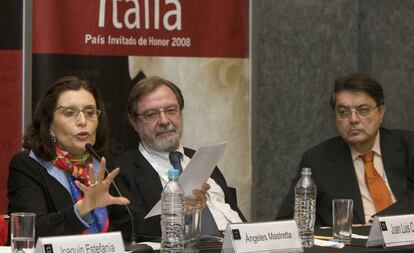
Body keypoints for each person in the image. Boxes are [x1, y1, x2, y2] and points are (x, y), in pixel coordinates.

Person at [111, 76, 246, 241]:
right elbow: (132, 231)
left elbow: (233, 212)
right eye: (151, 114)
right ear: (133, 122)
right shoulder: (121, 171)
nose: (164, 121)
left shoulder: (203, 158)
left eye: (170, 110)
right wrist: (176, 214)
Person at [277, 73, 414, 226]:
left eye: (363, 110)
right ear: (334, 117)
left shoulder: (409, 146)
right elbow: (289, 222)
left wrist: (379, 224)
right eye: (343, 112)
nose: (353, 119)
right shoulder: (317, 161)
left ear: (381, 112)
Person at [7, 76, 130, 239]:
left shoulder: (102, 162)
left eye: (90, 112)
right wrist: (81, 211)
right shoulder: (28, 165)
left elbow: (131, 224)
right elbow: (28, 230)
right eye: (70, 113)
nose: (82, 121)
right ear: (49, 123)